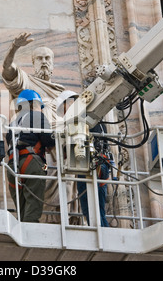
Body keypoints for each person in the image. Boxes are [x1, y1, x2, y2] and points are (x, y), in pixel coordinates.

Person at [2, 32, 74, 223]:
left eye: (47, 58)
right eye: (40, 58)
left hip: (45, 152)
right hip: (40, 149)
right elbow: (8, 70)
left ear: (53, 63)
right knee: (36, 191)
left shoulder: (61, 91)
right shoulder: (27, 83)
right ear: (33, 63)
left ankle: (59, 220)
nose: (44, 62)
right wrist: (14, 48)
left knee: (68, 173)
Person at [56, 90, 111, 227]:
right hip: (102, 165)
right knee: (99, 209)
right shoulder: (98, 120)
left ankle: (105, 236)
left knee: (91, 210)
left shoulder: (79, 120)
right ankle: (105, 232)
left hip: (88, 164)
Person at [6, 89, 55, 223]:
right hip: (33, 163)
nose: (41, 109)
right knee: (33, 206)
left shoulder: (12, 124)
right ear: (33, 104)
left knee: (22, 210)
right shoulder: (37, 117)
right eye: (40, 106)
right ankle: (31, 235)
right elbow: (48, 139)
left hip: (12, 167)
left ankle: (23, 230)